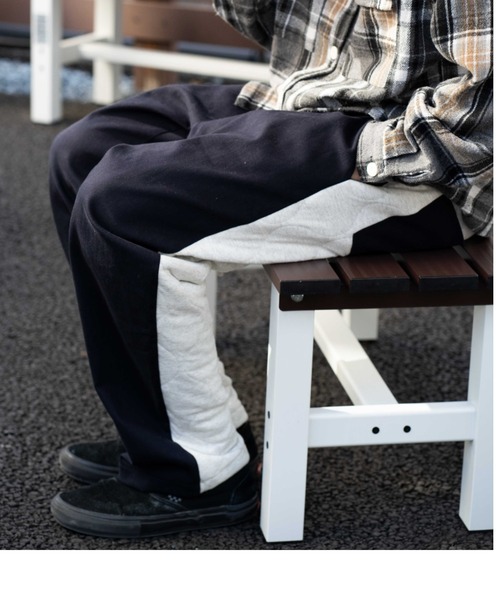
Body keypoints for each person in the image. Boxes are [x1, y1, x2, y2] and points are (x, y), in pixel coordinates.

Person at [49, 0, 492, 538]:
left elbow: (477, 126)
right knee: (81, 154)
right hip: (316, 100)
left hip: (418, 164)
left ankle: (200, 472)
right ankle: (165, 431)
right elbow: (269, 23)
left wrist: (332, 152)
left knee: (123, 208)